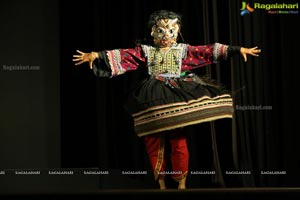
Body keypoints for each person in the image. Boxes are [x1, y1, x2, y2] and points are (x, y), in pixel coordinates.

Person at [72, 10, 261, 189]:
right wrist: (96, 55)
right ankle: (161, 183)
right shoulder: (146, 51)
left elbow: (206, 51)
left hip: (176, 93)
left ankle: (181, 183)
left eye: (171, 30)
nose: (166, 36)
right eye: (161, 31)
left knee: (178, 140)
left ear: (177, 31)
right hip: (153, 95)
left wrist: (237, 49)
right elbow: (124, 55)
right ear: (153, 31)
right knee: (153, 139)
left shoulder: (182, 50)